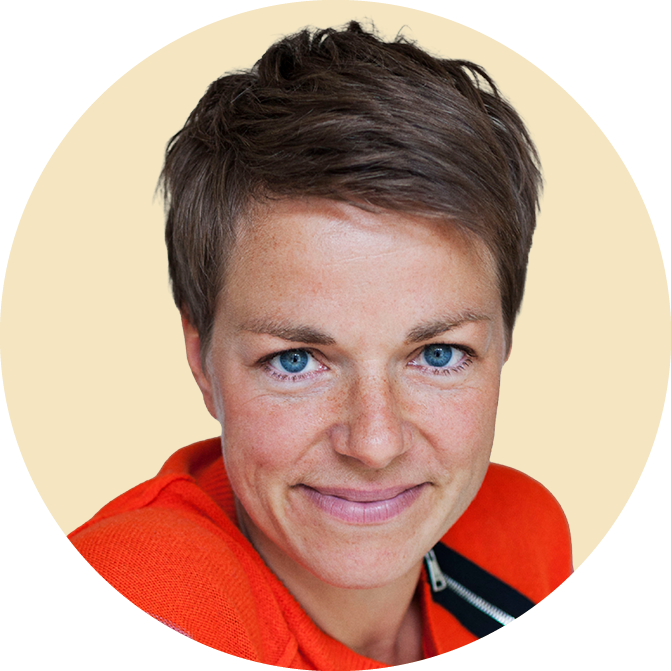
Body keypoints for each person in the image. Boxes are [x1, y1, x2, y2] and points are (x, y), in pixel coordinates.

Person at [68, 21, 572, 668]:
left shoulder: (526, 537)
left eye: (438, 354)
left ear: (504, 341)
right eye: (295, 360)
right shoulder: (140, 595)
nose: (374, 444)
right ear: (201, 357)